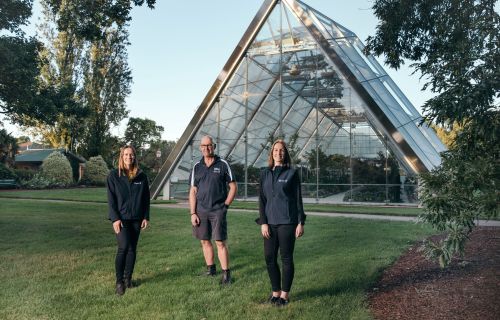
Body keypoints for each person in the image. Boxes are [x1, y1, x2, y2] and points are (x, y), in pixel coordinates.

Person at [257, 139, 306, 306]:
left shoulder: (291, 173)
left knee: (286, 258)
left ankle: (284, 296)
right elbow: (261, 200)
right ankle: (275, 292)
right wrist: (263, 222)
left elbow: (298, 199)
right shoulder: (264, 173)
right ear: (272, 153)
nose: (278, 153)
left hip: (287, 222)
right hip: (269, 223)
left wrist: (301, 222)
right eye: (276, 150)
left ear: (285, 154)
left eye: (282, 150)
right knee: (269, 258)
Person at [189, 135, 237, 285]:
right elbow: (193, 191)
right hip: (201, 210)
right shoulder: (197, 166)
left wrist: (226, 206)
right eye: (203, 145)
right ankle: (211, 269)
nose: (206, 148)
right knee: (204, 241)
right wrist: (193, 212)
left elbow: (233, 186)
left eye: (209, 145)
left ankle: (226, 274)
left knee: (220, 242)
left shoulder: (222, 164)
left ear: (214, 146)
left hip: (218, 210)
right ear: (200, 147)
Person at [106, 145, 150, 295]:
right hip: (121, 219)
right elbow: (111, 200)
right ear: (121, 156)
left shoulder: (141, 176)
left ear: (135, 157)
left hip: (137, 218)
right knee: (123, 247)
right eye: (126, 154)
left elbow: (146, 199)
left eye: (131, 155)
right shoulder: (113, 176)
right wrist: (115, 219)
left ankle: (128, 279)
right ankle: (119, 282)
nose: (128, 157)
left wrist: (146, 216)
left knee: (132, 249)